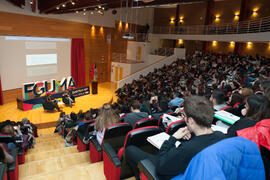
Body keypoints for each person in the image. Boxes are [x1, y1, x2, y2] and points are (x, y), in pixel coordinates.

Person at [125, 96, 226, 180]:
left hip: (167, 170)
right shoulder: (221, 136)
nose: (183, 118)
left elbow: (161, 166)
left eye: (184, 115)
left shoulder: (187, 149)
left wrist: (172, 139)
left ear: (190, 120)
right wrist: (193, 134)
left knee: (130, 150)